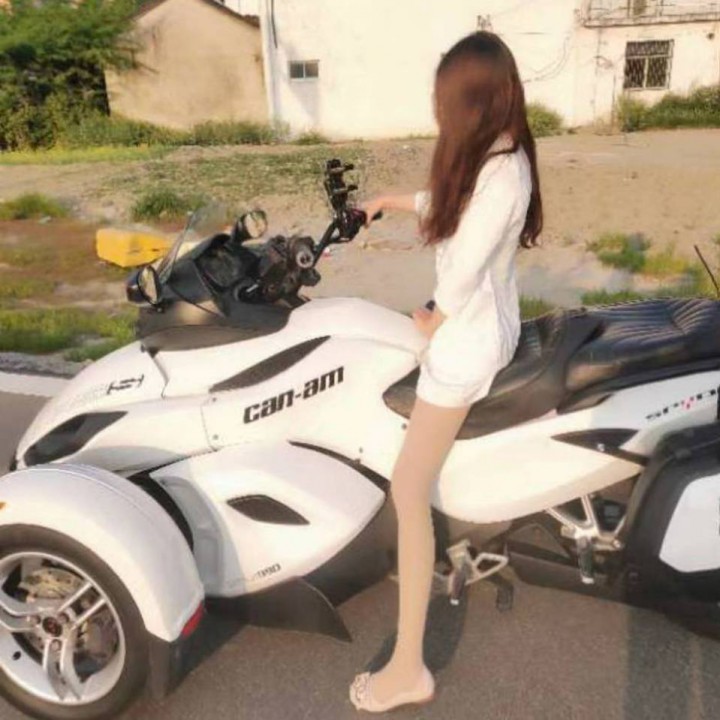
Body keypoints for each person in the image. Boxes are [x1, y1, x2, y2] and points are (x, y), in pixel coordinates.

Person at [349, 31, 543, 713]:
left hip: (468, 342)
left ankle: (408, 669)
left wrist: (434, 314)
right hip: (480, 326)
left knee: (408, 489)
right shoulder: (498, 153)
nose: (440, 114)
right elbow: (453, 206)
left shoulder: (503, 171)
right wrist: (388, 200)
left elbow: (465, 261)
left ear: (473, 102)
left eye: (446, 102)